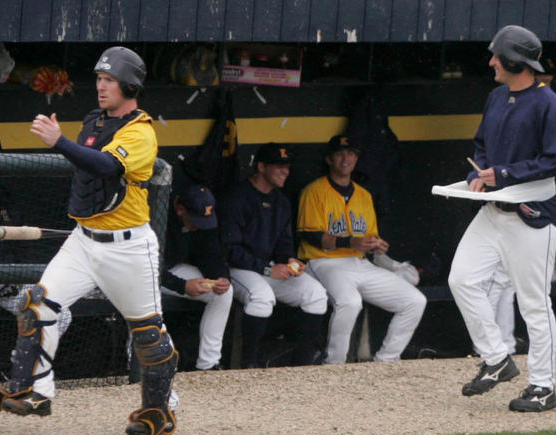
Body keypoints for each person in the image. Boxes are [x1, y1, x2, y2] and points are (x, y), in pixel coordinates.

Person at [0, 47, 177, 435]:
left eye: (109, 81)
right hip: (83, 240)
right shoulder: (95, 120)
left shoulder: (141, 131)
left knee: (149, 337)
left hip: (127, 248)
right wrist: (67, 141)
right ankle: (36, 391)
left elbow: (106, 166)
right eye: (100, 80)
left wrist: (59, 141)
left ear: (129, 85)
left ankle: (160, 410)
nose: (101, 87)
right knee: (35, 304)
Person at [447, 25, 556, 413]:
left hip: (534, 215)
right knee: (462, 280)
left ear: (515, 61)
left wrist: (502, 175)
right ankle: (496, 359)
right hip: (494, 211)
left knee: (535, 303)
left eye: (496, 56)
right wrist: (477, 174)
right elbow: (482, 147)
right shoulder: (497, 96)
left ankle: (543, 386)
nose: (490, 62)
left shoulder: (548, 103)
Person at [0, 134, 72, 389]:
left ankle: (18, 367)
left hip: (6, 275)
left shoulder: (3, 194)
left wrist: (8, 273)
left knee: (59, 313)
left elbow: (17, 245)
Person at [298, 135, 426, 364]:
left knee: (414, 301)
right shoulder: (314, 191)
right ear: (329, 159)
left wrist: (377, 246)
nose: (346, 158)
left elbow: (368, 237)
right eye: (340, 153)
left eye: (351, 154)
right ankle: (334, 364)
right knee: (350, 302)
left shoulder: (364, 195)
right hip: (323, 261)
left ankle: (386, 360)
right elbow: (312, 235)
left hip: (359, 263)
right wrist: (350, 242)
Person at [220, 143, 328, 369]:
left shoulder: (281, 201)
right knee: (262, 296)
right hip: (238, 268)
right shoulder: (237, 196)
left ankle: (301, 366)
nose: (285, 172)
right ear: (261, 167)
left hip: (267, 268)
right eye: (279, 167)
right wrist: (268, 269)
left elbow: (284, 244)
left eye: (287, 167)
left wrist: (289, 260)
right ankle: (248, 365)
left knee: (316, 294)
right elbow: (230, 249)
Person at [160, 184, 233, 371]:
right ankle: (136, 366)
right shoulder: (159, 212)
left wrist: (221, 278)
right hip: (145, 274)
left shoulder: (204, 222)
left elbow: (211, 254)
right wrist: (182, 285)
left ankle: (208, 364)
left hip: (175, 269)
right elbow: (146, 266)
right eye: (195, 220)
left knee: (224, 292)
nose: (198, 225)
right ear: (180, 209)